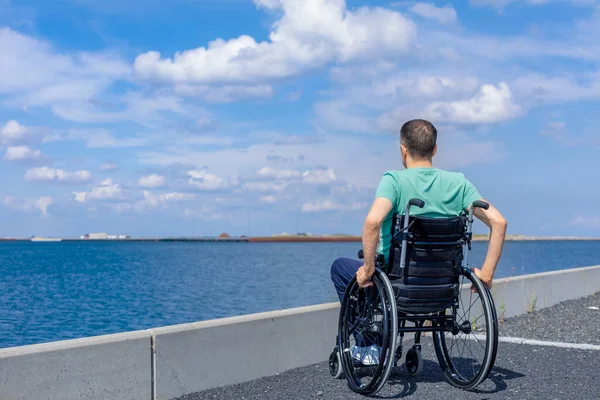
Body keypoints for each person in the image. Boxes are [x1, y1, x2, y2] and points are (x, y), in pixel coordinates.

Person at [330, 119, 507, 365]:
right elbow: (499, 222)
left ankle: (369, 344)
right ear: (434, 150)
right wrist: (486, 274)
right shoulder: (459, 184)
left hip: (396, 282)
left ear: (403, 149)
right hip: (441, 286)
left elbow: (372, 223)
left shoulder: (394, 181)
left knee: (340, 268)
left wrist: (369, 269)